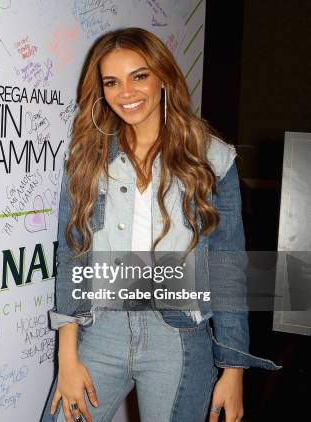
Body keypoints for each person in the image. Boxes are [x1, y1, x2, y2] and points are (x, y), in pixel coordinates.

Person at [40, 28, 280, 422]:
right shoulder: (87, 158)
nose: (126, 93)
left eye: (139, 76)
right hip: (101, 330)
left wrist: (233, 370)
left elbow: (227, 268)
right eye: (112, 82)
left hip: (180, 336)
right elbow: (73, 254)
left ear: (163, 76)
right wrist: (68, 356)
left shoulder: (211, 158)